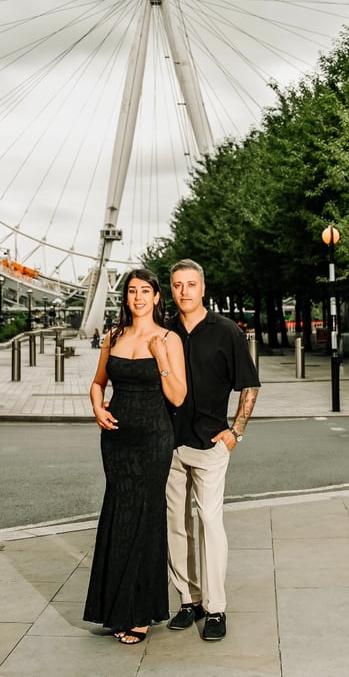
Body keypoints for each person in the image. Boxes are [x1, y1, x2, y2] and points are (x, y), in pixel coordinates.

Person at [83, 268, 187, 646]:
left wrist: (160, 358)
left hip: (154, 438)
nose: (139, 297)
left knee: (146, 516)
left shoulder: (168, 339)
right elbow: (98, 384)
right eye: (132, 291)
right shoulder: (113, 336)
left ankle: (140, 612)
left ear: (157, 297)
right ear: (125, 297)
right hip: (116, 438)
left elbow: (177, 396)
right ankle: (113, 608)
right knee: (118, 515)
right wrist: (97, 408)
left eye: (146, 291)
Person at [165, 259, 260, 642]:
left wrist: (236, 431)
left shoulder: (226, 332)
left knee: (209, 523)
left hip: (210, 442)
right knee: (175, 524)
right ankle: (189, 601)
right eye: (177, 285)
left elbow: (249, 385)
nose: (184, 291)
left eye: (191, 284)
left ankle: (216, 608)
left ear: (203, 288)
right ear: (170, 290)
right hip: (169, 442)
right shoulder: (164, 331)